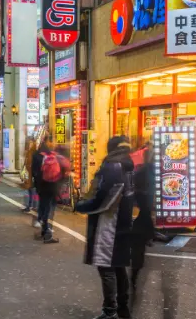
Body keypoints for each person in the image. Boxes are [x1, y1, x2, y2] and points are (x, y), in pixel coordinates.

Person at [76, 136, 135, 319]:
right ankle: (122, 308)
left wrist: (81, 206)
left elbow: (102, 198)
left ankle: (109, 310)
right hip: (124, 222)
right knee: (118, 266)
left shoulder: (112, 167)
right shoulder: (129, 166)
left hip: (108, 224)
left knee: (106, 266)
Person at [33, 140, 72, 242]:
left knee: (44, 208)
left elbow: (37, 171)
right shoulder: (59, 158)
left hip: (43, 186)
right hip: (53, 186)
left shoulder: (43, 156)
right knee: (50, 210)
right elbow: (68, 169)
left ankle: (43, 231)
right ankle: (48, 234)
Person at [130, 144, 155, 303]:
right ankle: (134, 275)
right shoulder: (156, 173)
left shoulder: (139, 172)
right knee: (139, 249)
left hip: (139, 214)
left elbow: (133, 191)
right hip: (145, 215)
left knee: (137, 249)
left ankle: (133, 277)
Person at [22, 138, 37, 214]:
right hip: (28, 174)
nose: (30, 144)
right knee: (30, 190)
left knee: (32, 190)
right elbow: (26, 162)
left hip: (32, 174)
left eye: (31, 143)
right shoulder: (29, 152)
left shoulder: (34, 152)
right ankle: (31, 205)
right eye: (29, 143)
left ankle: (31, 206)